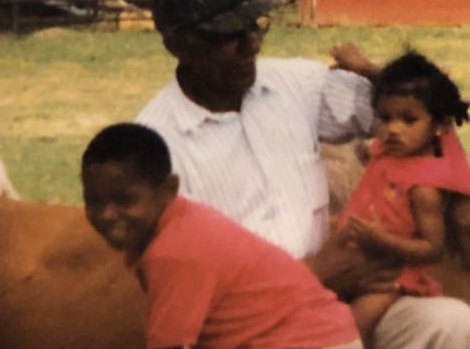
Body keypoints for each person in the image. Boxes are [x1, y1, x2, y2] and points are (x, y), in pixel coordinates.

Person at [134, 0, 470, 348]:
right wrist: (313, 275)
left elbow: (412, 110)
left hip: (341, 289)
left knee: (449, 324)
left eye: (256, 27)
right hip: (250, 324)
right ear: (178, 44)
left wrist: (464, 189)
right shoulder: (155, 147)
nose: (251, 44)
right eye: (231, 36)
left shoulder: (294, 84)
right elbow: (183, 286)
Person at [80, 123, 363, 349]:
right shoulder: (182, 221)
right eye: (94, 201)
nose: (106, 214)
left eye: (125, 200)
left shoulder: (174, 252)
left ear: (167, 191)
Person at [334, 51, 470, 346]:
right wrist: (366, 70)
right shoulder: (388, 154)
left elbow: (432, 248)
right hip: (358, 257)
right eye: (385, 118)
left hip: (391, 274)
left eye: (409, 120)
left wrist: (380, 240)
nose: (394, 129)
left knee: (352, 325)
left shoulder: (423, 186)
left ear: (439, 125)